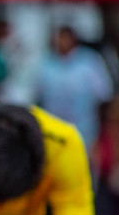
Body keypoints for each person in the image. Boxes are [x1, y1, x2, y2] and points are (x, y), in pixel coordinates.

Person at [35, 25, 113, 153]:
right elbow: (38, 97)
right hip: (55, 131)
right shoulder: (46, 63)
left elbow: (103, 96)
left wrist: (101, 132)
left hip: (84, 130)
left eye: (65, 38)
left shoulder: (89, 62)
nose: (62, 42)